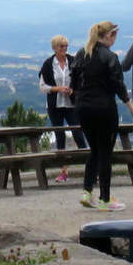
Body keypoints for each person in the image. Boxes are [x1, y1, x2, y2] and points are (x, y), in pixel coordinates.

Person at [70, 21, 133, 211]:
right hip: (104, 108)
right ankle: (105, 198)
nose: (115, 39)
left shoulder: (81, 54)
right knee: (106, 152)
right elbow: (119, 86)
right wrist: (131, 108)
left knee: (94, 150)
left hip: (83, 108)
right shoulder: (109, 57)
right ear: (108, 36)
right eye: (114, 35)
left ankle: (87, 191)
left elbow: (73, 82)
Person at [39, 34, 85, 183]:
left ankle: (90, 167)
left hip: (71, 104)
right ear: (54, 48)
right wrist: (57, 88)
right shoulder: (48, 65)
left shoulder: (73, 61)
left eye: (66, 46)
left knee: (78, 134)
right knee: (60, 137)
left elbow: (81, 82)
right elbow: (42, 87)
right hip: (55, 105)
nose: (64, 49)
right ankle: (63, 171)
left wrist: (73, 91)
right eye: (61, 46)